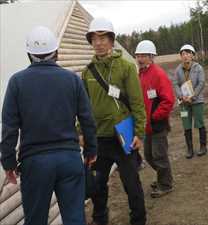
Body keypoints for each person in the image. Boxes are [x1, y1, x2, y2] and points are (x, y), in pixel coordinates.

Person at [0, 26, 97, 225]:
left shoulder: (17, 82)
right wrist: (91, 150)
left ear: (29, 54)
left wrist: (8, 163)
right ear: (57, 52)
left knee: (36, 220)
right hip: (69, 159)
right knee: (74, 219)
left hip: (35, 164)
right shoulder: (72, 80)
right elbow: (87, 119)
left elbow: (9, 128)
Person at [82, 17, 146, 225]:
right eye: (94, 38)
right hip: (99, 139)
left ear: (111, 40)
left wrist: (139, 133)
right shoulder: (87, 72)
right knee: (98, 186)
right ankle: (100, 220)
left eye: (103, 38)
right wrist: (80, 131)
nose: (98, 43)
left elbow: (137, 103)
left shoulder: (126, 67)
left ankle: (138, 220)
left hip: (123, 136)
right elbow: (81, 107)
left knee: (131, 184)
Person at [135, 40, 175, 198]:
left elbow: (168, 100)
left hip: (157, 124)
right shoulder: (141, 74)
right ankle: (163, 177)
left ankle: (165, 185)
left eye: (143, 56)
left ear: (151, 57)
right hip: (147, 125)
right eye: (138, 55)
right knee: (150, 156)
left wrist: (155, 116)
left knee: (159, 156)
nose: (140, 58)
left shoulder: (158, 74)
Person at [173, 44, 207, 159]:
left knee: (199, 123)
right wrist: (181, 96)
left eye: (188, 53)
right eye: (183, 54)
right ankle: (190, 149)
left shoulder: (198, 68)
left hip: (197, 101)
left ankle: (203, 146)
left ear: (192, 55)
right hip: (183, 103)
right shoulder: (178, 70)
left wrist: (192, 96)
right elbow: (175, 84)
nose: (185, 56)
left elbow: (201, 83)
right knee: (186, 125)